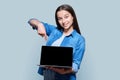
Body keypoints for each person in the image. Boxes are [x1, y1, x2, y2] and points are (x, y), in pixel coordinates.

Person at [28, 4, 85, 80]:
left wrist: (64, 71)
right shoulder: (54, 31)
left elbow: (76, 65)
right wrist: (39, 25)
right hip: (48, 76)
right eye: (60, 18)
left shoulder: (79, 39)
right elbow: (31, 21)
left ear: (73, 17)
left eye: (66, 17)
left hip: (64, 77)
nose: (63, 21)